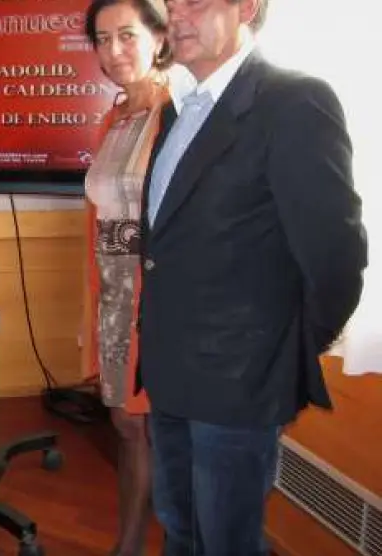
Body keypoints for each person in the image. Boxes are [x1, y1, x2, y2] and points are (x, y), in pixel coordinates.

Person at [138, 0, 367, 554]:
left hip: (240, 385)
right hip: (170, 371)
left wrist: (282, 354)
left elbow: (336, 258)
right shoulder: (177, 110)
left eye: (195, 1)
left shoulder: (294, 102)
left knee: (227, 543)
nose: (177, 15)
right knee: (180, 530)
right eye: (171, 3)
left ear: (247, 7)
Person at [80, 1, 172, 554]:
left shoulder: (179, 112)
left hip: (159, 300)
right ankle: (130, 544)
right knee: (126, 426)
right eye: (102, 38)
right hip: (113, 295)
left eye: (127, 35)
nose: (113, 51)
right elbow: (99, 220)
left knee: (156, 427)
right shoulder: (113, 120)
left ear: (159, 37)